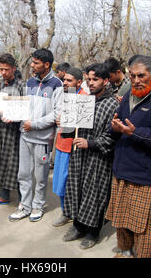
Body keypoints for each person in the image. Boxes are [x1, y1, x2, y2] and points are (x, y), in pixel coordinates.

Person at [105, 55, 151, 258]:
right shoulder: (130, 93)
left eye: (141, 75)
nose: (136, 80)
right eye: (132, 75)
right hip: (122, 169)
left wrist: (134, 132)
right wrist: (114, 128)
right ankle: (124, 252)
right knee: (121, 220)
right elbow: (119, 124)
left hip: (147, 175)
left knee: (143, 228)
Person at [62, 63, 119, 249]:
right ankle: (78, 226)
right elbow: (73, 128)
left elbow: (112, 136)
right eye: (89, 80)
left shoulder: (112, 104)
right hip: (79, 154)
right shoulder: (84, 100)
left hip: (99, 158)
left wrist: (91, 143)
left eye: (95, 79)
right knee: (77, 188)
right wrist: (64, 122)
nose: (91, 83)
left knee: (95, 193)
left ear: (106, 80)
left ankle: (93, 232)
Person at [9, 48, 63, 222]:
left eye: (36, 63)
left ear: (46, 65)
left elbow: (57, 114)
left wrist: (34, 124)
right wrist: (14, 115)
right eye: (32, 62)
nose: (32, 65)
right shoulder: (30, 82)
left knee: (40, 176)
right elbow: (23, 106)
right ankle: (24, 206)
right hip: (24, 136)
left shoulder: (57, 84)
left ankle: (37, 205)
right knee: (23, 174)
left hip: (42, 139)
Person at [0, 53, 26, 206]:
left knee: (14, 163)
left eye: (6, 69)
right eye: (1, 69)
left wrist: (14, 116)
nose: (3, 72)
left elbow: (25, 110)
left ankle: (23, 199)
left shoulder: (22, 86)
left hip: (14, 132)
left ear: (14, 69)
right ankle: (3, 195)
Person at [51, 67, 87, 227]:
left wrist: (66, 121)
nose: (65, 83)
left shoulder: (84, 98)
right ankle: (66, 211)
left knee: (70, 181)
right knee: (60, 181)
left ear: (79, 82)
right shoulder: (63, 95)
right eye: (64, 79)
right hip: (61, 144)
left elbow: (84, 125)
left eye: (69, 80)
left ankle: (72, 212)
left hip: (73, 148)